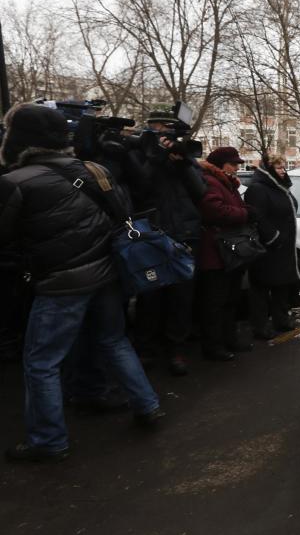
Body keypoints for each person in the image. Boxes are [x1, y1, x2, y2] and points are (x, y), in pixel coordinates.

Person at [0, 103, 163, 464]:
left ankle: (48, 440)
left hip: (60, 283)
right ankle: (147, 405)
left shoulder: (14, 183)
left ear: (17, 140)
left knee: (41, 362)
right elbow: (124, 214)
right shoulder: (95, 169)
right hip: (107, 273)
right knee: (114, 341)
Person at [130, 111, 207, 375]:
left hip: (184, 237)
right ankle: (146, 349)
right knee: (150, 297)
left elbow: (201, 193)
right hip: (151, 236)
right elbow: (139, 188)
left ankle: (177, 349)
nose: (165, 137)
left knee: (181, 298)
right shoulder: (141, 155)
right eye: (159, 130)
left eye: (169, 132)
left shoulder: (185, 160)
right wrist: (156, 159)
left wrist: (183, 163)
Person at [196, 146, 253, 361]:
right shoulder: (211, 182)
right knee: (214, 303)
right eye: (234, 163)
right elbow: (215, 211)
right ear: (221, 164)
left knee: (231, 300)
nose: (238, 167)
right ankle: (213, 346)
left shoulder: (228, 183)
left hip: (228, 253)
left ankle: (229, 339)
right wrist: (245, 213)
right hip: (214, 254)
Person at [243, 155, 299, 340]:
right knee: (261, 288)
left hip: (283, 248)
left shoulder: (280, 187)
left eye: (284, 167)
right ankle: (260, 327)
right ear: (268, 169)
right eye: (279, 168)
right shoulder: (258, 189)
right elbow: (257, 217)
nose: (284, 170)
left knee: (281, 286)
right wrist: (274, 237)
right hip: (267, 248)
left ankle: (281, 320)